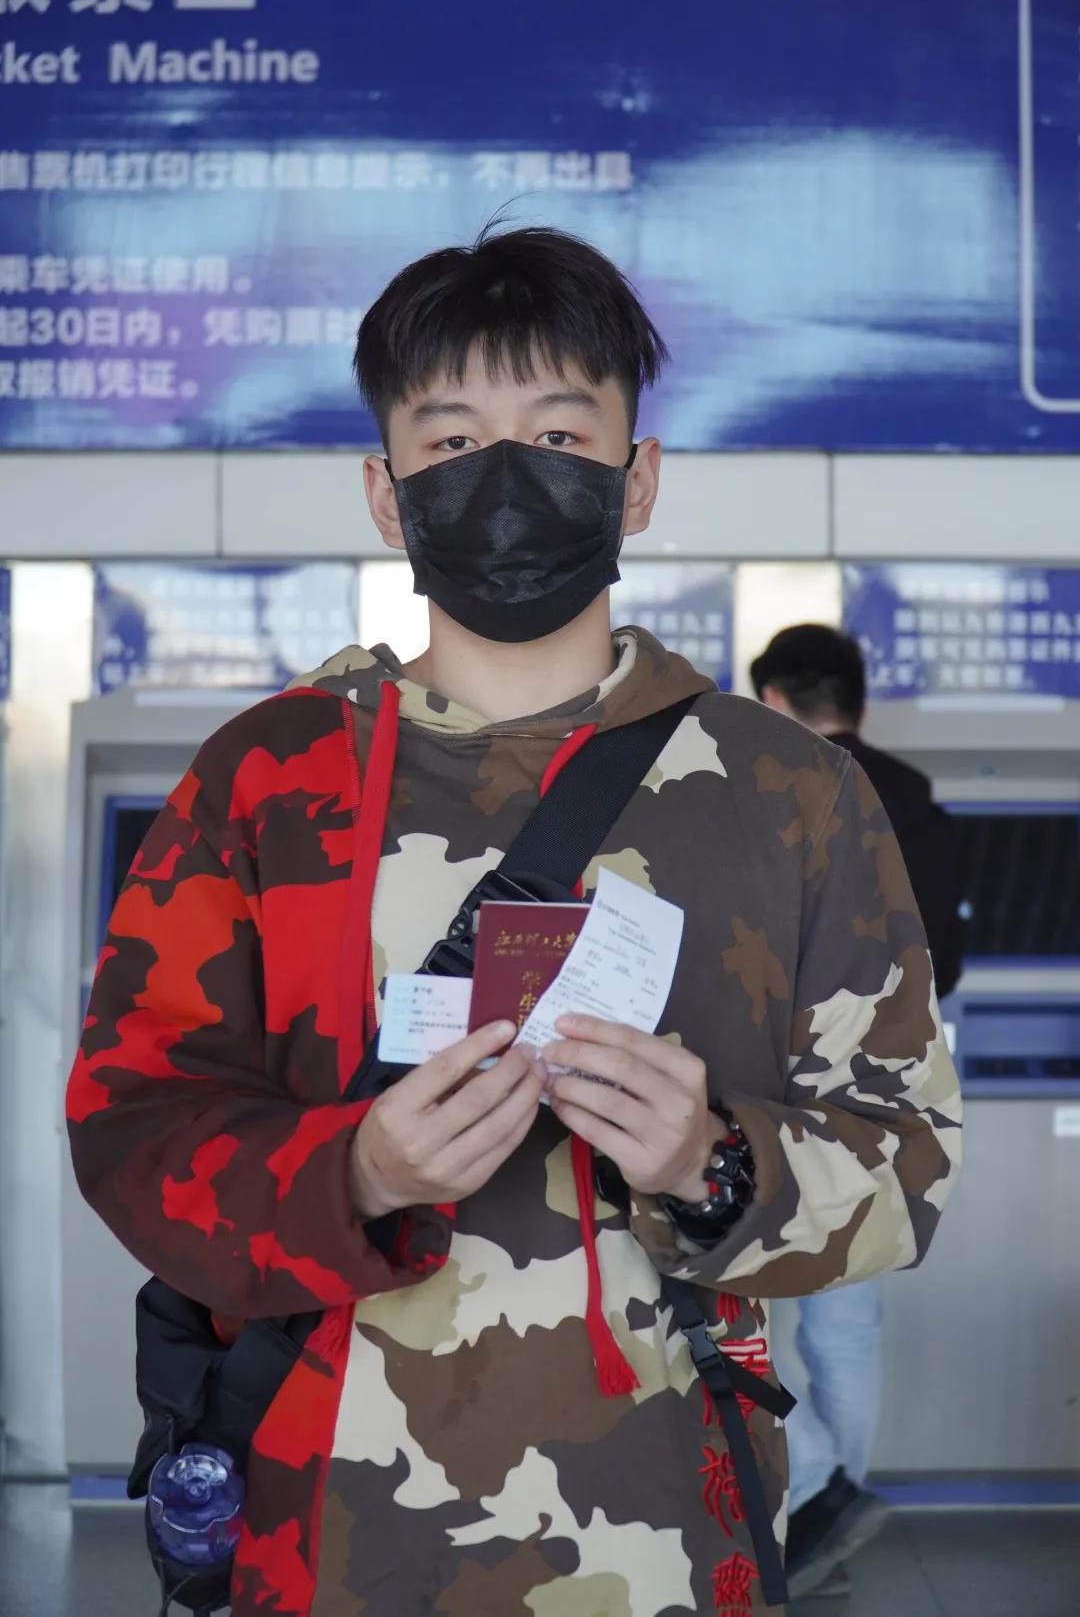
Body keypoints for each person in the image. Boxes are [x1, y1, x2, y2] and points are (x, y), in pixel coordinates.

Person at [68, 228, 961, 1617]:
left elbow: (909, 1159)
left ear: (637, 477)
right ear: (386, 494)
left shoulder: (790, 793)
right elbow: (132, 1125)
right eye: (450, 441)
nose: (502, 476)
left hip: (667, 1538)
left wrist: (713, 1160)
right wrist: (353, 1171)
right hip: (326, 1535)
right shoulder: (268, 777)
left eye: (556, 433)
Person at [751, 623, 965, 1600]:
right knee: (849, 1309)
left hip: (780, 1079)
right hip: (895, 1088)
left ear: (776, 701)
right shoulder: (915, 796)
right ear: (857, 698)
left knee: (736, 1297)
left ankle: (815, 1497)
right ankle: (832, 1519)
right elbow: (948, 960)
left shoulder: (772, 789)